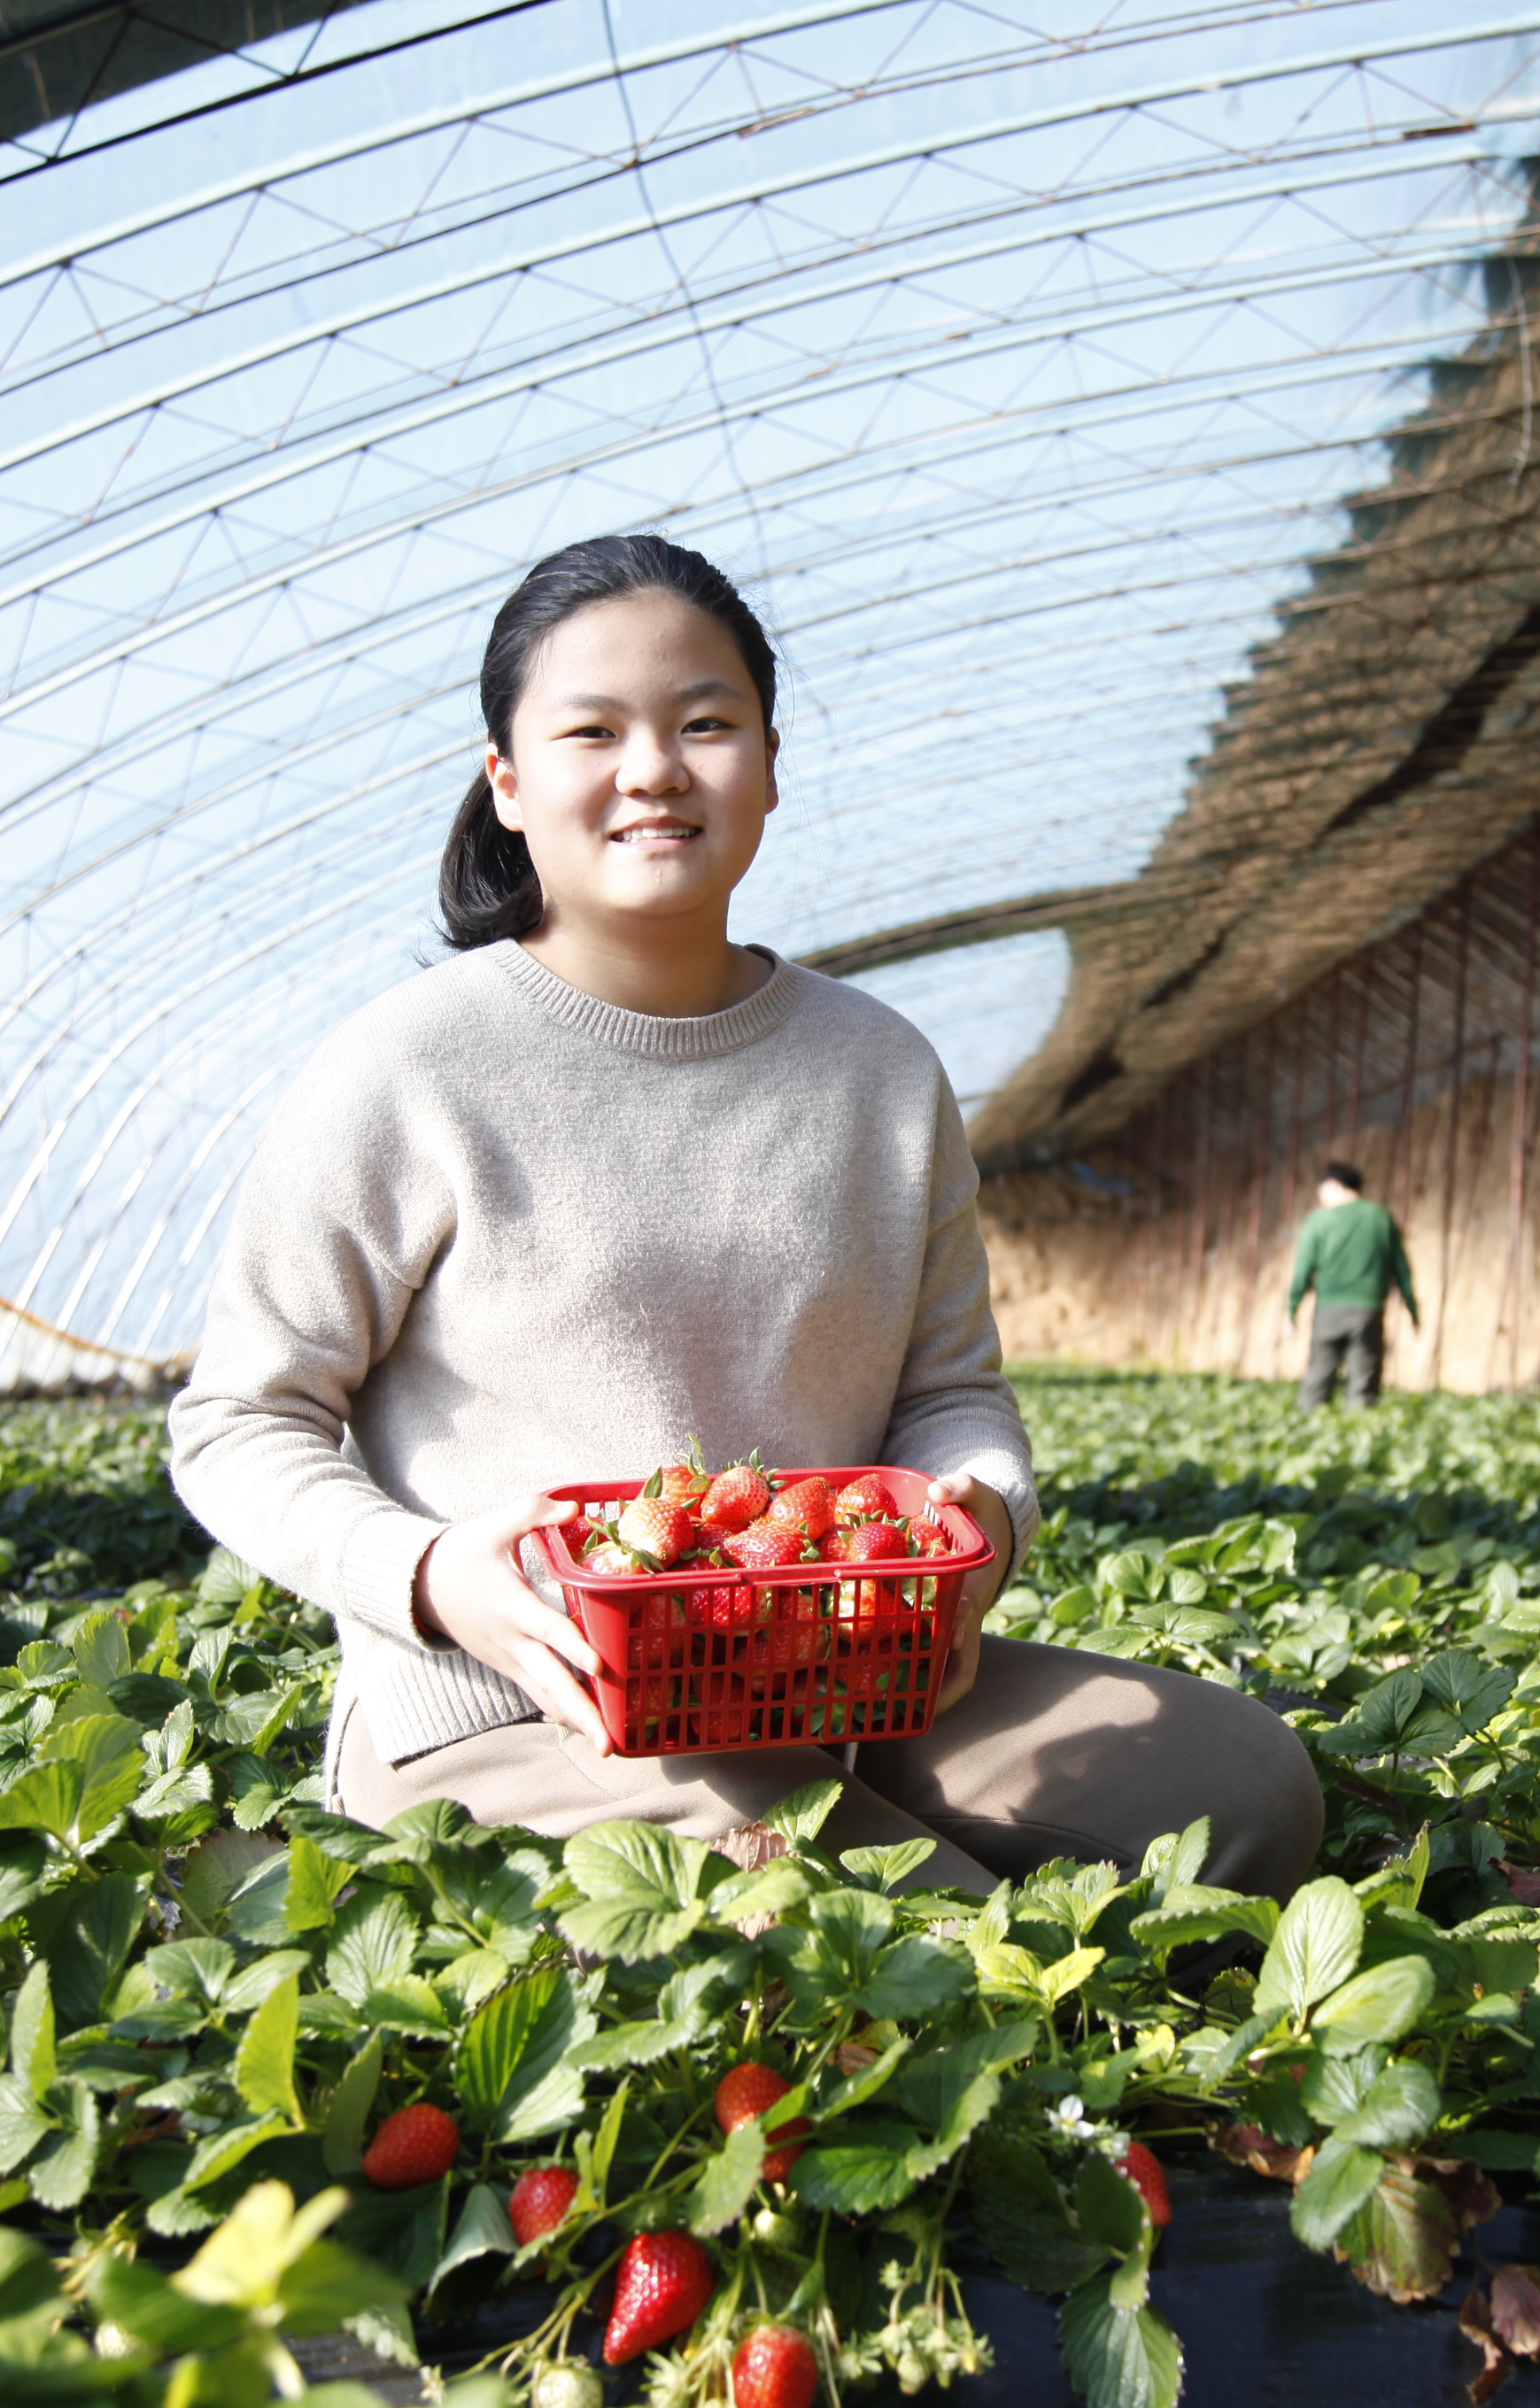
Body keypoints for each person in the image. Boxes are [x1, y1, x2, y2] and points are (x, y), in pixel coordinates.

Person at [167, 535, 1319, 1898]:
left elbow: (952, 1395)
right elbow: (239, 1419)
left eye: (704, 724)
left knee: (1247, 1793)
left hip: (835, 1670)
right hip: (523, 1696)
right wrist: (431, 1577)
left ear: (769, 764)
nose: (654, 768)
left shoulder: (877, 1069)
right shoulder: (409, 1066)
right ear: (510, 782)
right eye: (593, 730)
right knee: (906, 1927)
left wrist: (981, 1534)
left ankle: (894, 1848)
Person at [1286, 1161, 1419, 1407]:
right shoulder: (1380, 1217)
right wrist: (1413, 1309)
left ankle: (1309, 1432)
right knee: (1364, 1380)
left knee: (1318, 1379)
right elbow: (1402, 1269)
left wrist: (1292, 1309)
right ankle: (1359, 1435)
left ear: (1334, 1186)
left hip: (1329, 1310)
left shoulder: (1319, 1221)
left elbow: (1303, 1269)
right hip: (1368, 1310)